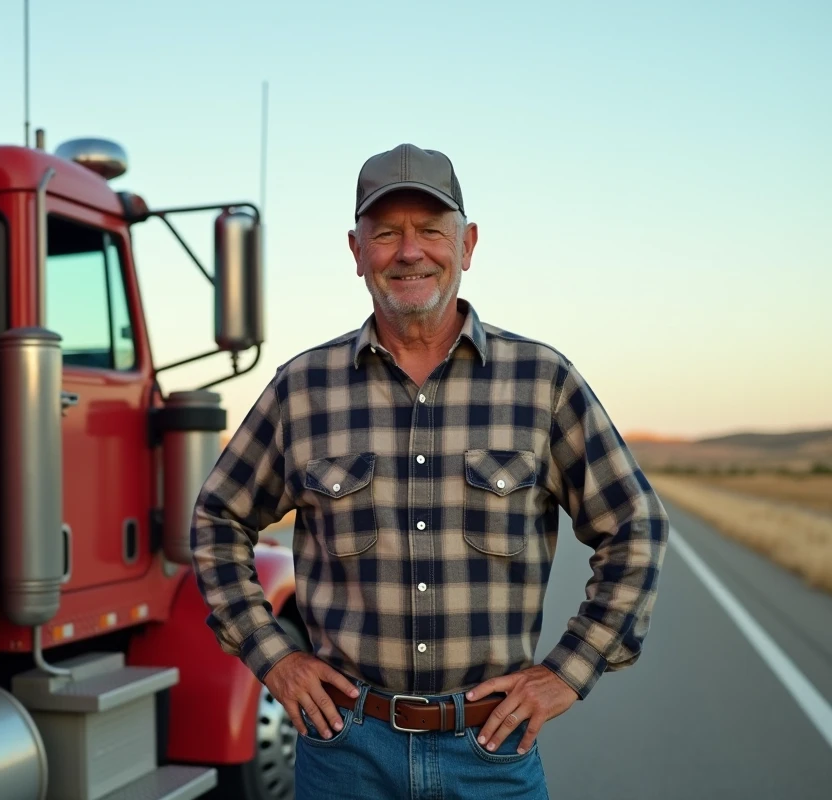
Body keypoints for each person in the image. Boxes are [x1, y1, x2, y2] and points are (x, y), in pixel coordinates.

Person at [190, 143, 669, 799]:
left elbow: (634, 528)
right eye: (385, 233)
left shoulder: (541, 382)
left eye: (430, 231)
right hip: (344, 754)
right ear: (357, 252)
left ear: (467, 245)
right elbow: (218, 519)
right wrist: (275, 658)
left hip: (492, 753)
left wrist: (567, 672)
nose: (408, 251)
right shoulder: (302, 389)